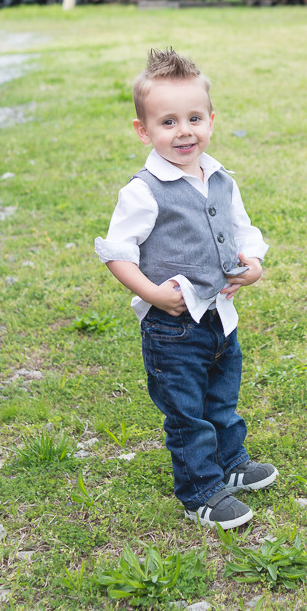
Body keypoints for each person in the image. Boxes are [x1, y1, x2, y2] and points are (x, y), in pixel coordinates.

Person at [95, 46, 277, 529]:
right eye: (168, 122)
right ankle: (200, 490)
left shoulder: (219, 178)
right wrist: (152, 294)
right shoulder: (143, 191)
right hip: (172, 327)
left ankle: (230, 464)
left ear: (211, 120)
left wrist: (252, 264)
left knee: (221, 396)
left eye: (194, 118)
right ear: (144, 131)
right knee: (187, 411)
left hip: (220, 315)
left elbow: (242, 231)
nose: (184, 132)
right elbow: (117, 252)